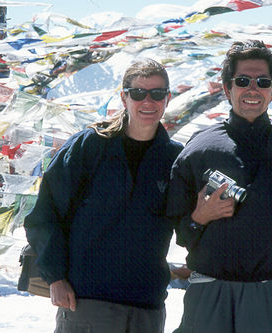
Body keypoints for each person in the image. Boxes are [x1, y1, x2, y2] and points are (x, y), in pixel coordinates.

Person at [167, 40, 272, 333]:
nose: (252, 89)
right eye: (243, 80)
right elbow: (178, 229)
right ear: (227, 88)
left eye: (263, 81)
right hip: (208, 296)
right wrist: (199, 218)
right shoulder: (198, 150)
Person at [24, 58, 183, 333]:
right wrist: (55, 277)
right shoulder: (90, 146)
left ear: (167, 98)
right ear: (124, 97)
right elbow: (45, 215)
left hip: (146, 306)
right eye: (138, 93)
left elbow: (188, 221)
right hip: (86, 300)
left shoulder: (174, 158)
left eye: (157, 94)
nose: (148, 101)